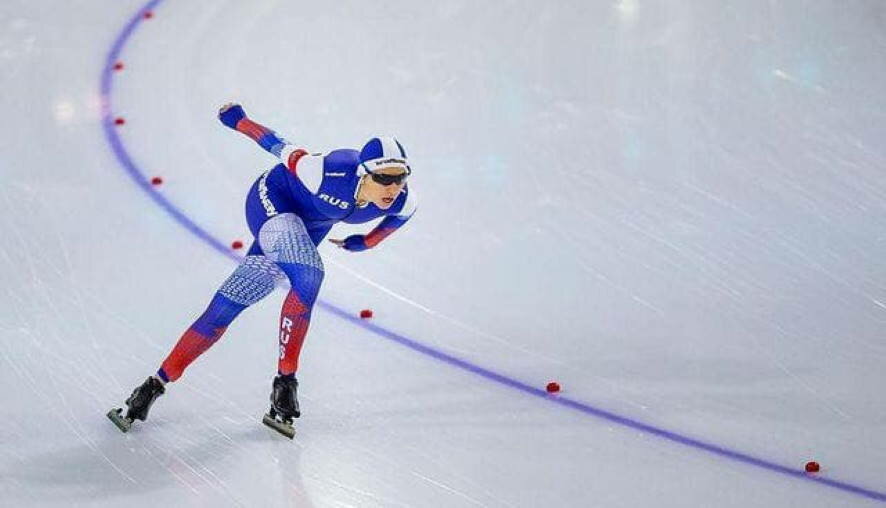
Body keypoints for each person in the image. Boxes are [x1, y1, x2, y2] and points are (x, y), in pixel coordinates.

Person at [108, 103, 417, 435]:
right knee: (310, 274)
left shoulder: (403, 202)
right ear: (363, 172)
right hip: (272, 200)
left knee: (226, 306)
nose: (392, 187)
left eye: (400, 178)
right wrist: (238, 120)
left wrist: (360, 243)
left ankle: (152, 386)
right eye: (384, 178)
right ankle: (286, 382)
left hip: (306, 230)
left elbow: (384, 231)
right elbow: (276, 144)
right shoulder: (325, 171)